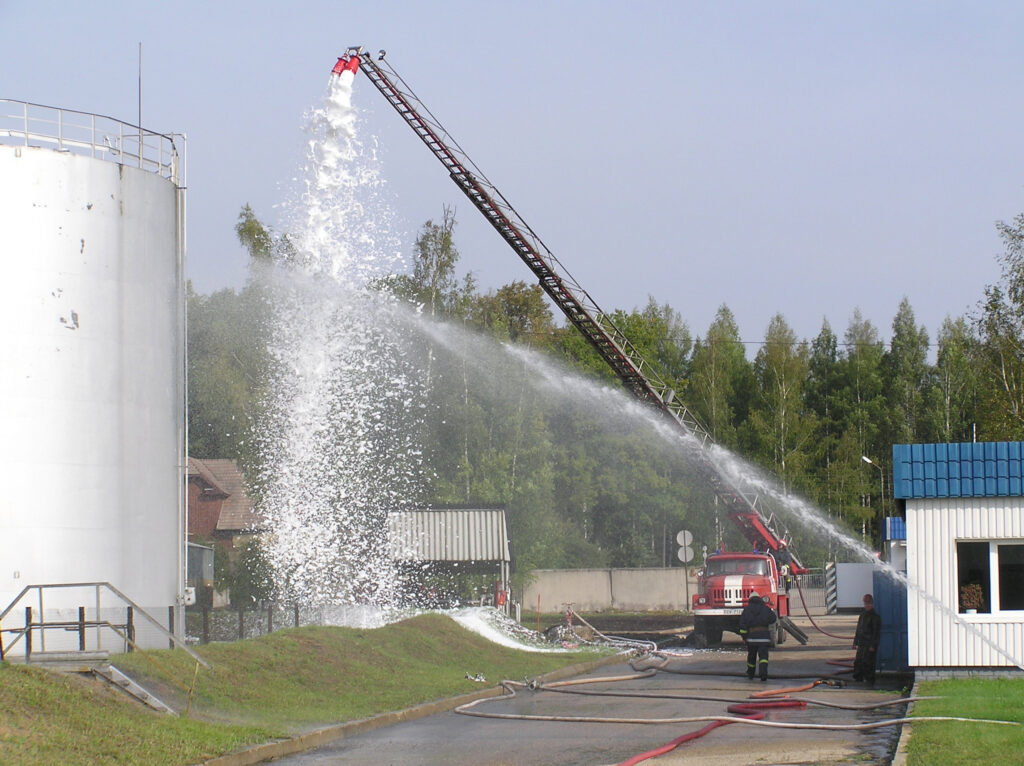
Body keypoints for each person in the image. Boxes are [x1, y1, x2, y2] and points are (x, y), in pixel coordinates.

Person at [738, 591, 777, 681]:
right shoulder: (765, 608)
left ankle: (750, 674)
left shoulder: (747, 610)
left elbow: (742, 625)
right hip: (764, 637)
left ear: (750, 599)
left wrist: (744, 637)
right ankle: (763, 675)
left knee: (751, 657)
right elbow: (773, 618)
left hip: (751, 638)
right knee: (763, 657)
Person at [852, 593, 882, 686]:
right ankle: (858, 677)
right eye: (866, 604)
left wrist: (873, 645)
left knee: (868, 662)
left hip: (869, 643)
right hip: (862, 643)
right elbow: (858, 629)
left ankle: (869, 679)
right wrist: (855, 642)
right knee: (859, 661)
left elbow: (876, 633)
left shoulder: (875, 617)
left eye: (869, 604)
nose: (867, 606)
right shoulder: (862, 616)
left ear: (872, 604)